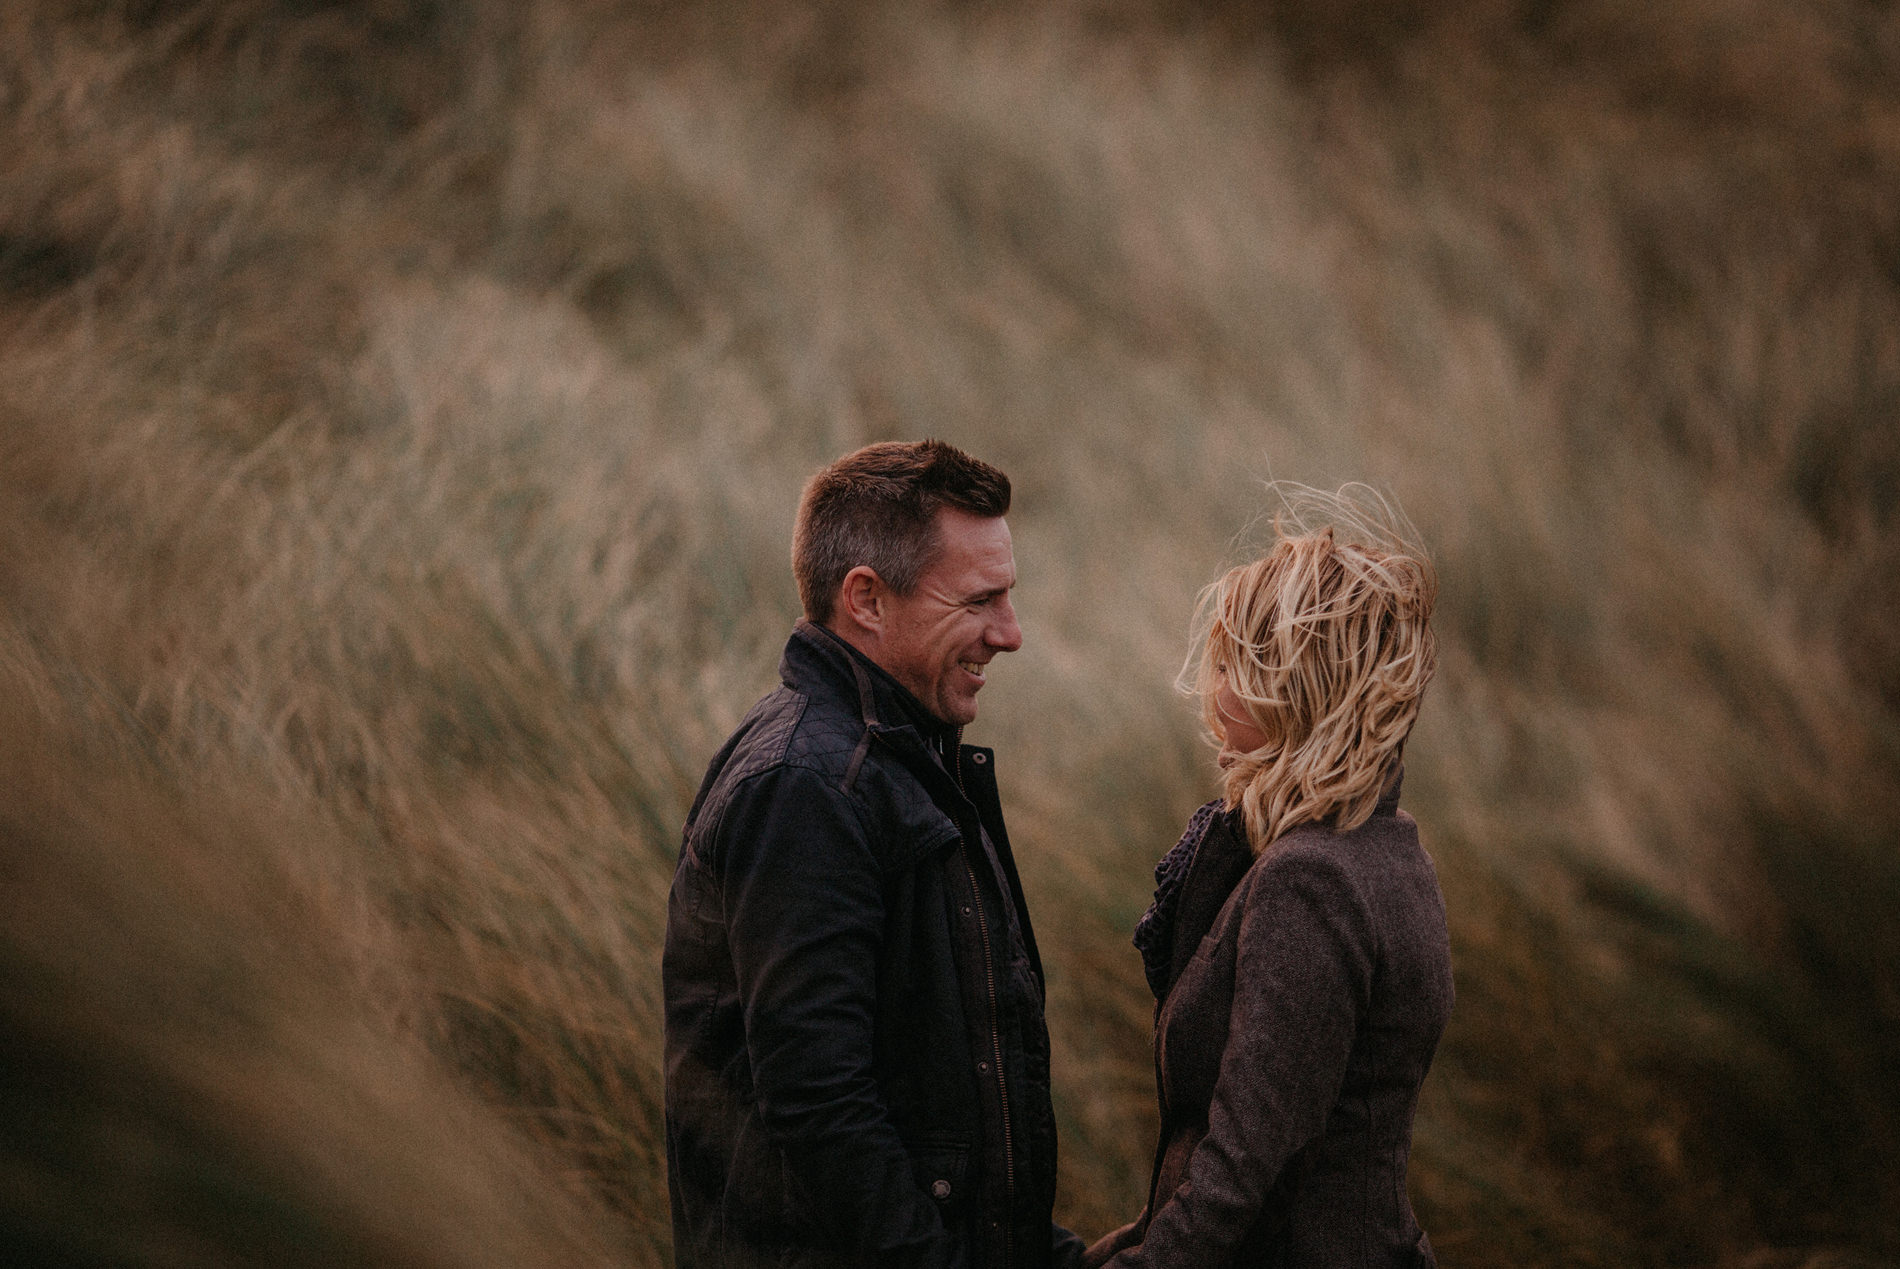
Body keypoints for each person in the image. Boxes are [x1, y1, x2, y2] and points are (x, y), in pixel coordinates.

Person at [664, 439, 1085, 1269]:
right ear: (866, 599)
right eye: (980, 599)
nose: (1011, 633)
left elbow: (937, 1097)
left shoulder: (901, 761)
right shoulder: (807, 787)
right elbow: (823, 1109)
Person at [1085, 488, 1454, 1268]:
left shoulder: (1311, 881)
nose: (1210, 700)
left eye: (1232, 668)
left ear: (1300, 688)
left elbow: (1241, 1169)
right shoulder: (1391, 851)